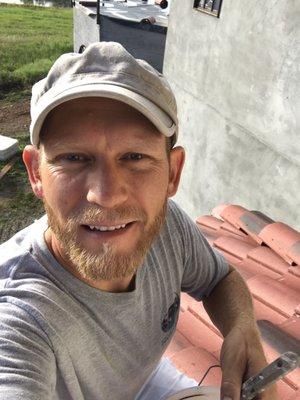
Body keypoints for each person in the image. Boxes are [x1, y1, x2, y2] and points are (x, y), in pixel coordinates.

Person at [0, 42, 277, 400]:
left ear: (172, 174)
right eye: (73, 157)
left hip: (147, 378)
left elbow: (219, 279)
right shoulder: (18, 320)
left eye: (134, 157)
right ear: (36, 173)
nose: (106, 194)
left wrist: (242, 327)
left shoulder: (167, 226)